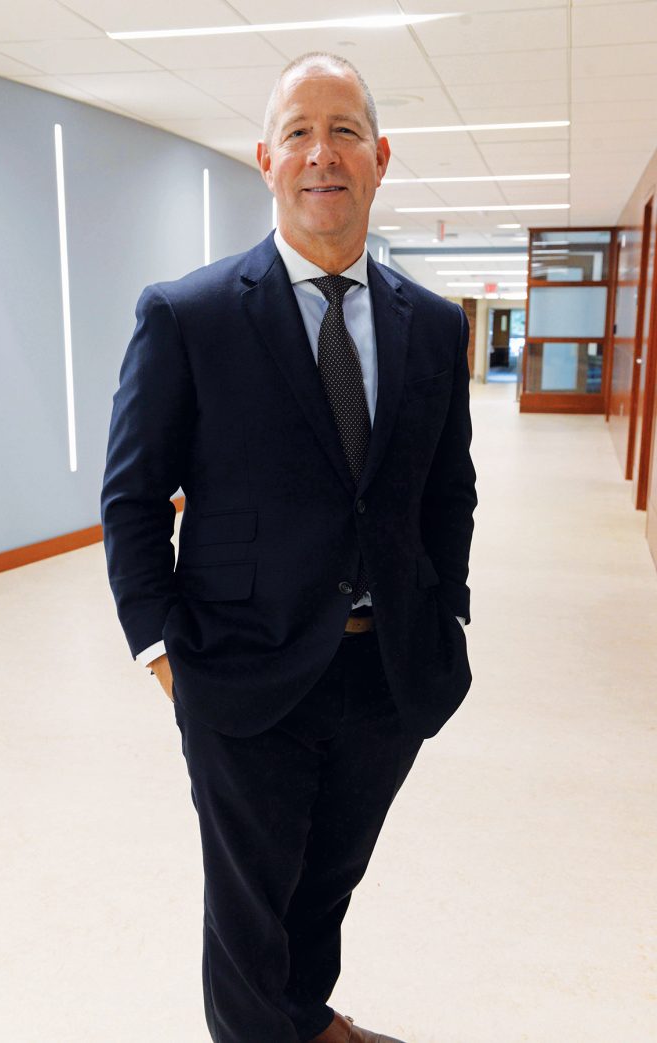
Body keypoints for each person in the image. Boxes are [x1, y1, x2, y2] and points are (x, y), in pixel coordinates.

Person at [101, 51, 476, 1043]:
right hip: (242, 667)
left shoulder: (434, 327)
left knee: (326, 879)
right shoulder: (189, 315)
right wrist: (165, 655)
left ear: (380, 157)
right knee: (249, 906)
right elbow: (133, 497)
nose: (323, 153)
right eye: (299, 133)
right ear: (266, 158)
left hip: (387, 669)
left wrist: (445, 612)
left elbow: (449, 490)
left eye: (345, 130)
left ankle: (304, 1019)